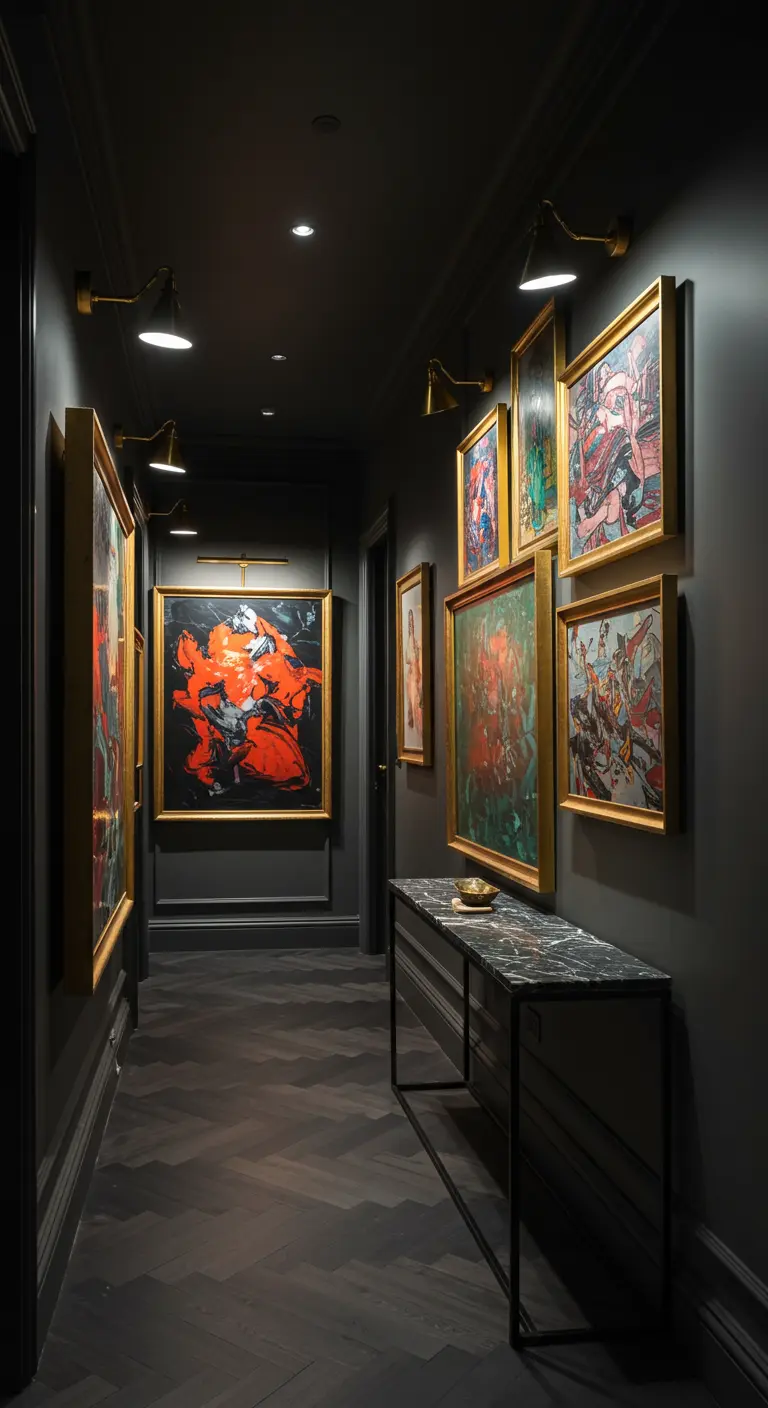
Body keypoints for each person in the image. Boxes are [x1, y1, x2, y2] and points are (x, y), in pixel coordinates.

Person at [404, 607, 422, 738]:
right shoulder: (412, 643)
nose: (412, 625)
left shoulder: (417, 643)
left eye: (412, 622)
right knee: (413, 703)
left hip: (416, 677)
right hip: (413, 677)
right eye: (410, 623)